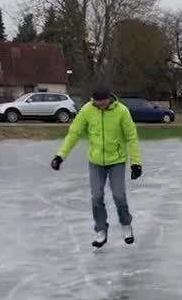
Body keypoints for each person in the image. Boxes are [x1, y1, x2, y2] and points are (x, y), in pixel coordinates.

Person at [50, 85, 143, 248]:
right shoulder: (87, 110)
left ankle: (126, 225)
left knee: (119, 196)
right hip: (96, 162)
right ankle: (101, 230)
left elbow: (131, 137)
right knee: (96, 197)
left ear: (109, 98)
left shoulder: (121, 111)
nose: (100, 104)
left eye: (103, 101)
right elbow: (74, 133)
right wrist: (60, 156)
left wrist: (136, 163)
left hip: (117, 161)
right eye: (97, 102)